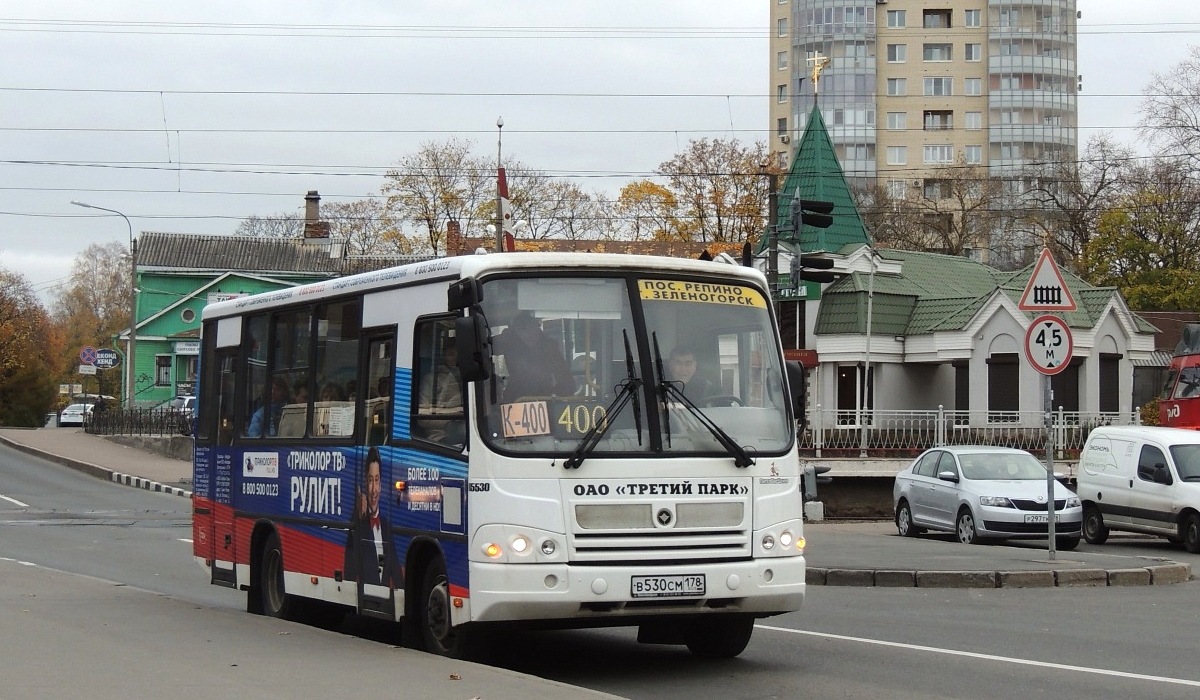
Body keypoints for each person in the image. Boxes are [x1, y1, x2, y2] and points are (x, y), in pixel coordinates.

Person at [343, 448, 400, 589]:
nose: (373, 489)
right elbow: (349, 570)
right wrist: (357, 516)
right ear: (364, 484)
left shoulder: (387, 526)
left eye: (376, 480)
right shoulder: (358, 521)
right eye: (370, 480)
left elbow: (397, 575)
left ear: (381, 485)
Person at [493, 310, 576, 401]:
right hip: (515, 399)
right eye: (522, 329)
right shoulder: (508, 340)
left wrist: (552, 393)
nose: (528, 334)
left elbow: (568, 384)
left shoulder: (550, 348)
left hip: (543, 400)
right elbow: (483, 346)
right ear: (515, 330)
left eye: (531, 327)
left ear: (537, 326)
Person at [419, 341, 462, 412]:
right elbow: (424, 410)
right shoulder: (430, 379)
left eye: (459, 354)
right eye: (451, 354)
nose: (455, 358)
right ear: (443, 357)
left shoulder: (468, 379)